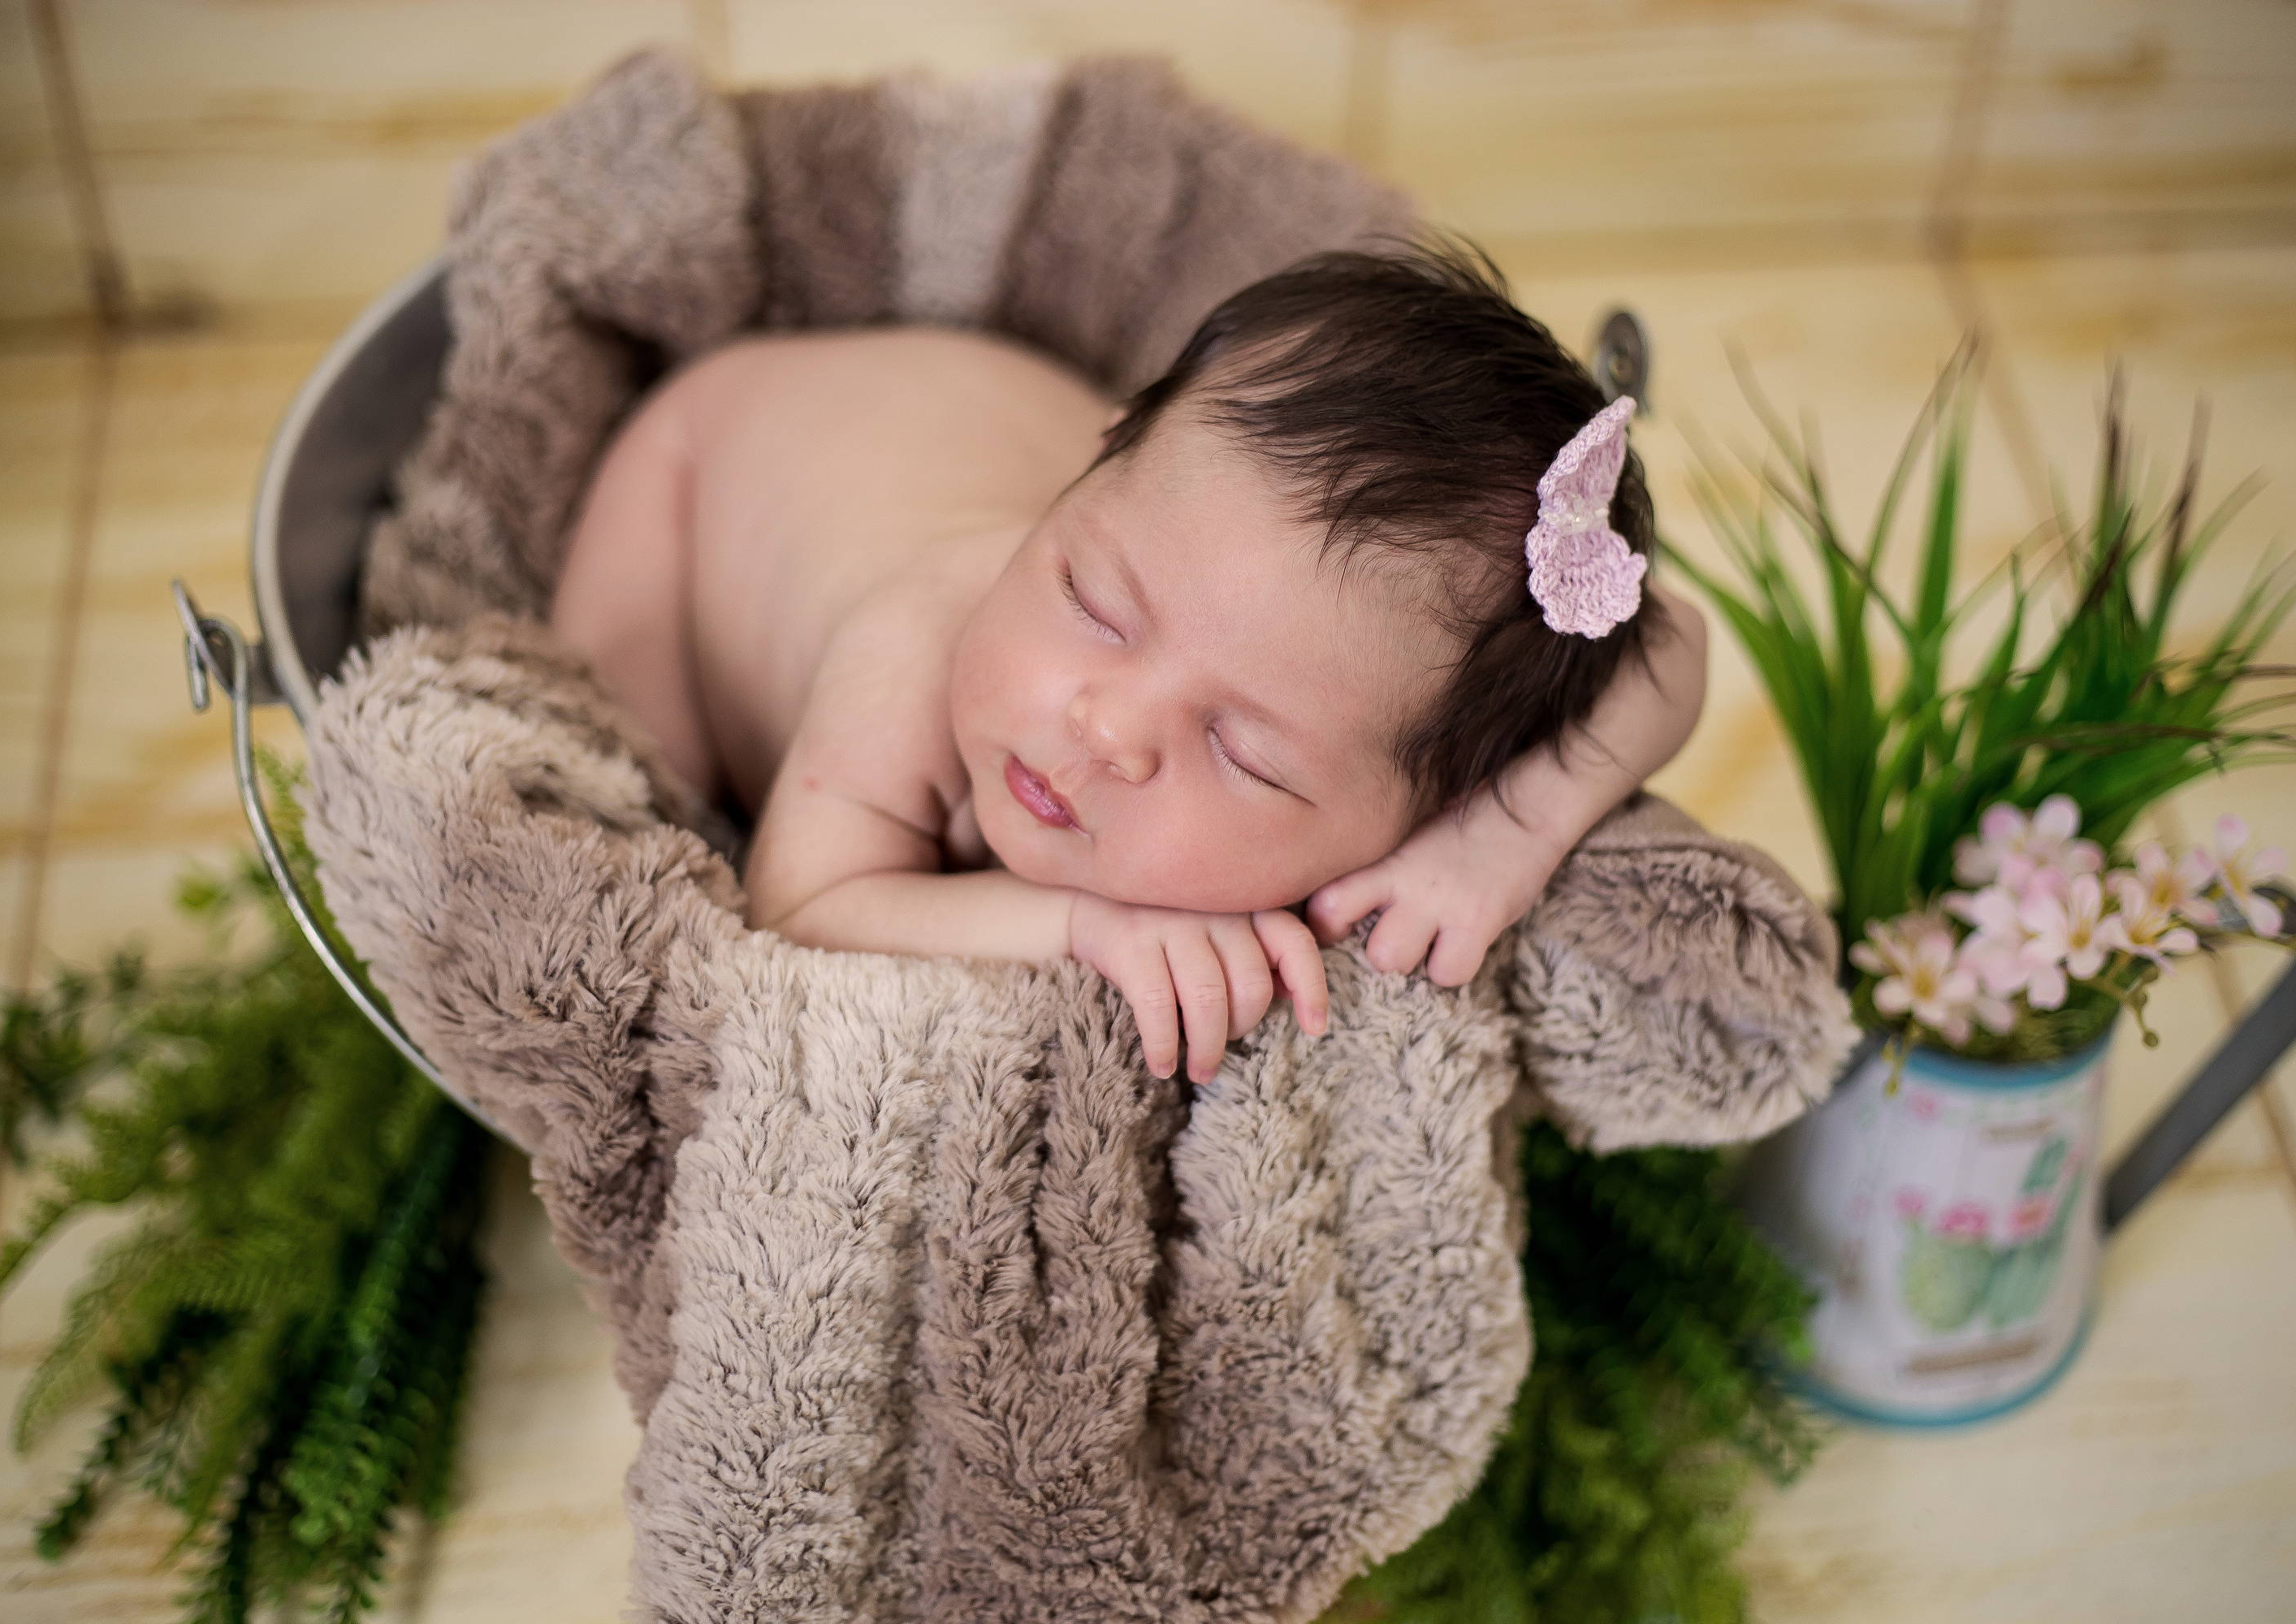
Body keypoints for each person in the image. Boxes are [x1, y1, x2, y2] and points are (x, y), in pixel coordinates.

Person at [549, 238, 1707, 1087]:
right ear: (1096, 471)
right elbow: (801, 910)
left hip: (1004, 425)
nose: (1108, 726)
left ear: (1421, 800)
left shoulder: (1374, 691)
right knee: (626, 763)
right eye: (1093, 606)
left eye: (1242, 752)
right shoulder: (911, 641)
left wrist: (1502, 840)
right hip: (707, 460)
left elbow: (1668, 644)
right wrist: (1079, 926)